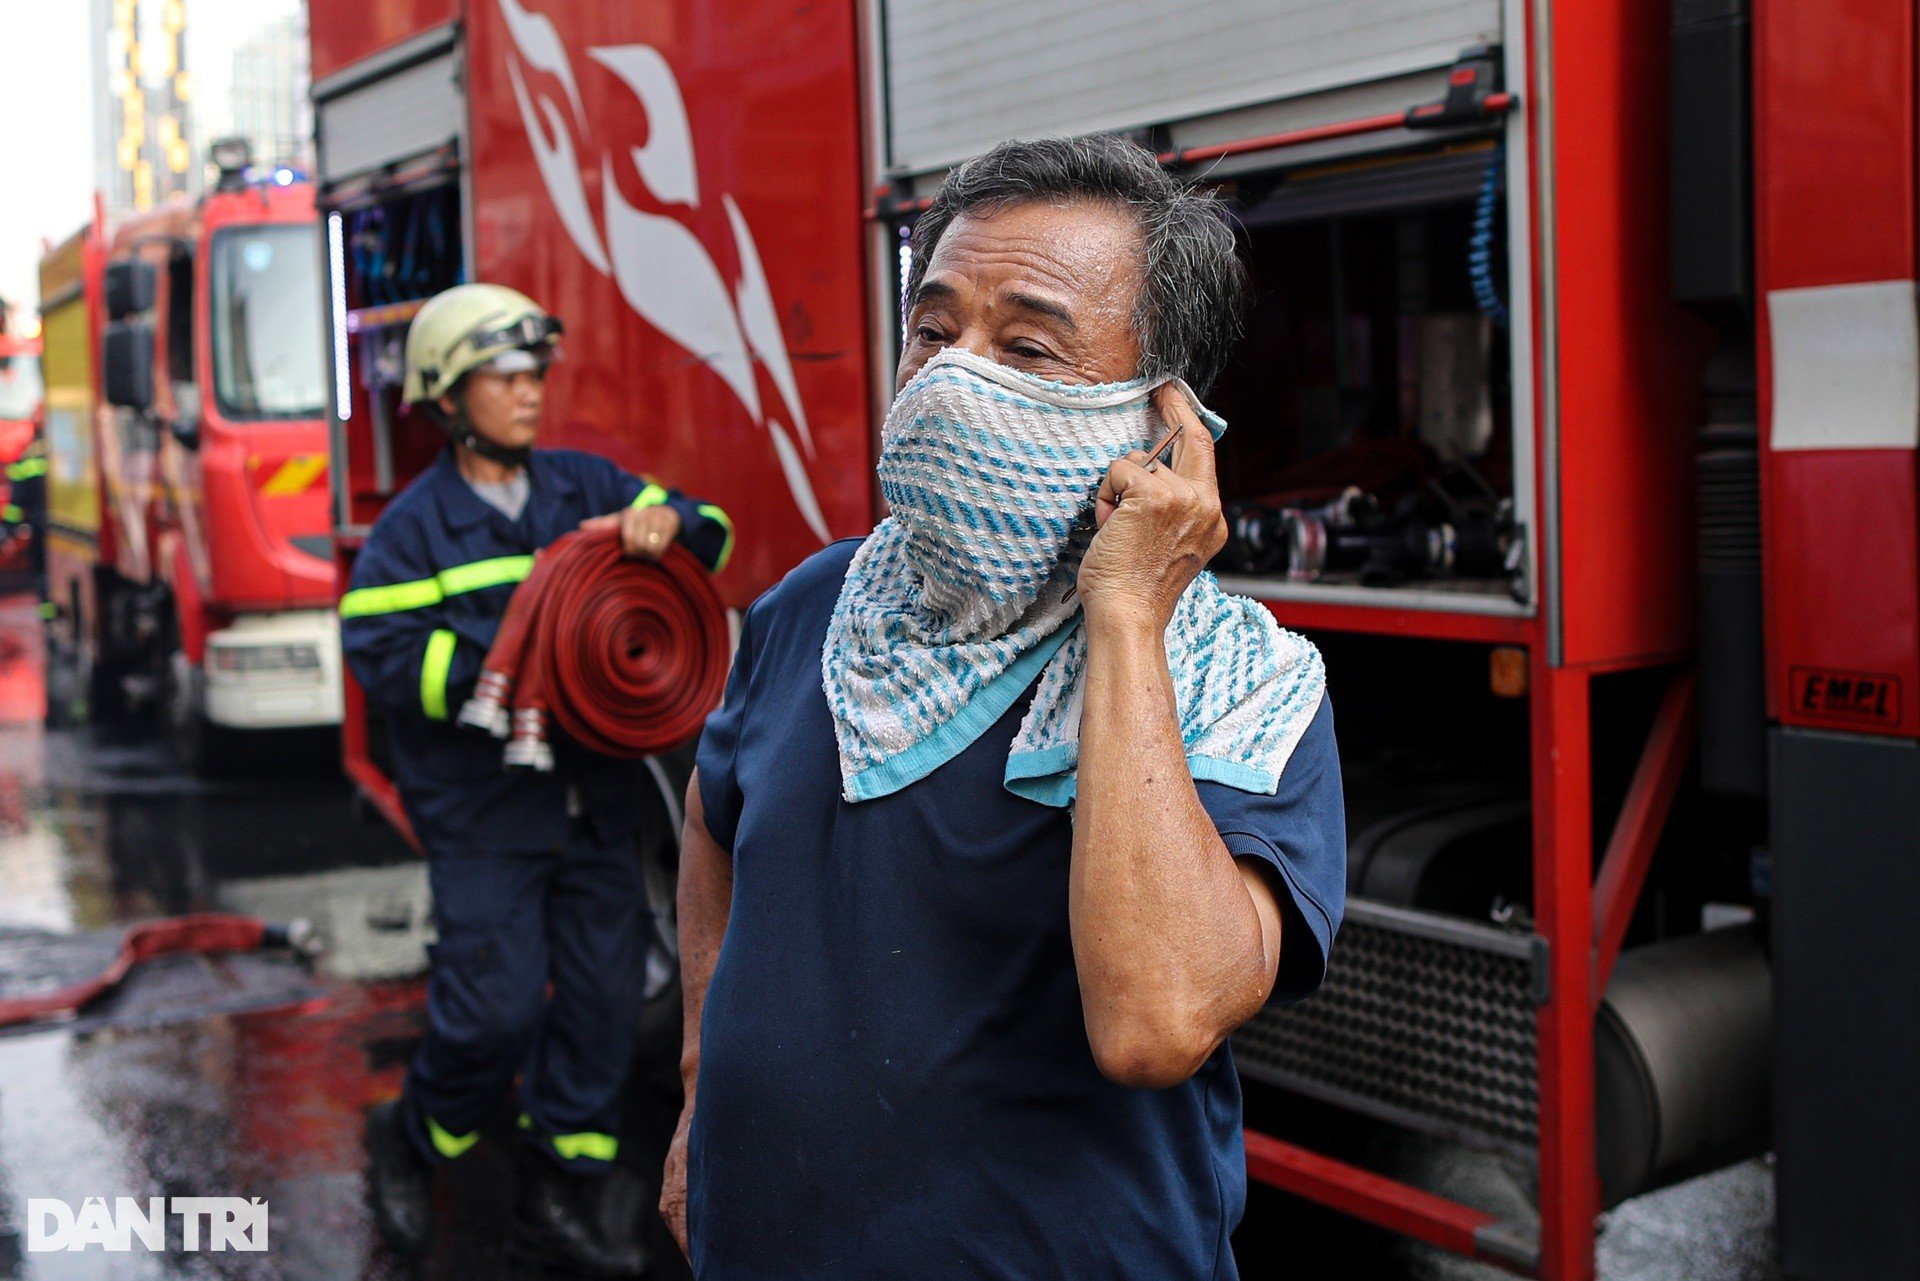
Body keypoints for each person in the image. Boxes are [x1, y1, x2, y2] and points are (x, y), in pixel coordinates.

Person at [664, 135, 1347, 1278]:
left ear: (1160, 419)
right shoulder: (814, 607)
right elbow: (713, 820)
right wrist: (701, 1084)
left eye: (1026, 344)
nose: (949, 377)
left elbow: (1155, 1023)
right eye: (932, 332)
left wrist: (1126, 614)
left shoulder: (1248, 685)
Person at [341, 283, 732, 1275]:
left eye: (533, 378)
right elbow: (377, 648)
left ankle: (558, 1193)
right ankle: (415, 1134)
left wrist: (668, 529)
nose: (527, 397)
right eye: (503, 379)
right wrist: (508, 671)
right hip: (486, 813)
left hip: (594, 803)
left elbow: (711, 531)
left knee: (604, 1010)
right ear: (445, 394)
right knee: (493, 1012)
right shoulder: (416, 528)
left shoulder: (583, 486)